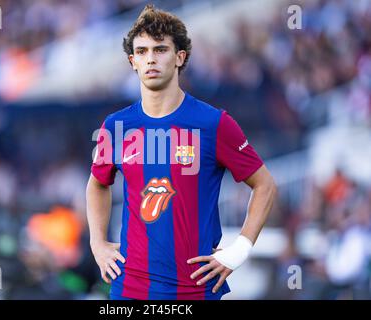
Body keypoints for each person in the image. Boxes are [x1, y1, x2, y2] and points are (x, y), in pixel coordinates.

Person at [86, 4, 277, 300]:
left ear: (179, 57)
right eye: (142, 51)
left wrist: (240, 249)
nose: (151, 58)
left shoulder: (214, 123)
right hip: (131, 288)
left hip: (196, 290)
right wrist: (97, 243)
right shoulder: (116, 126)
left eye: (160, 49)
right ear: (132, 61)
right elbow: (98, 183)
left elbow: (264, 185)